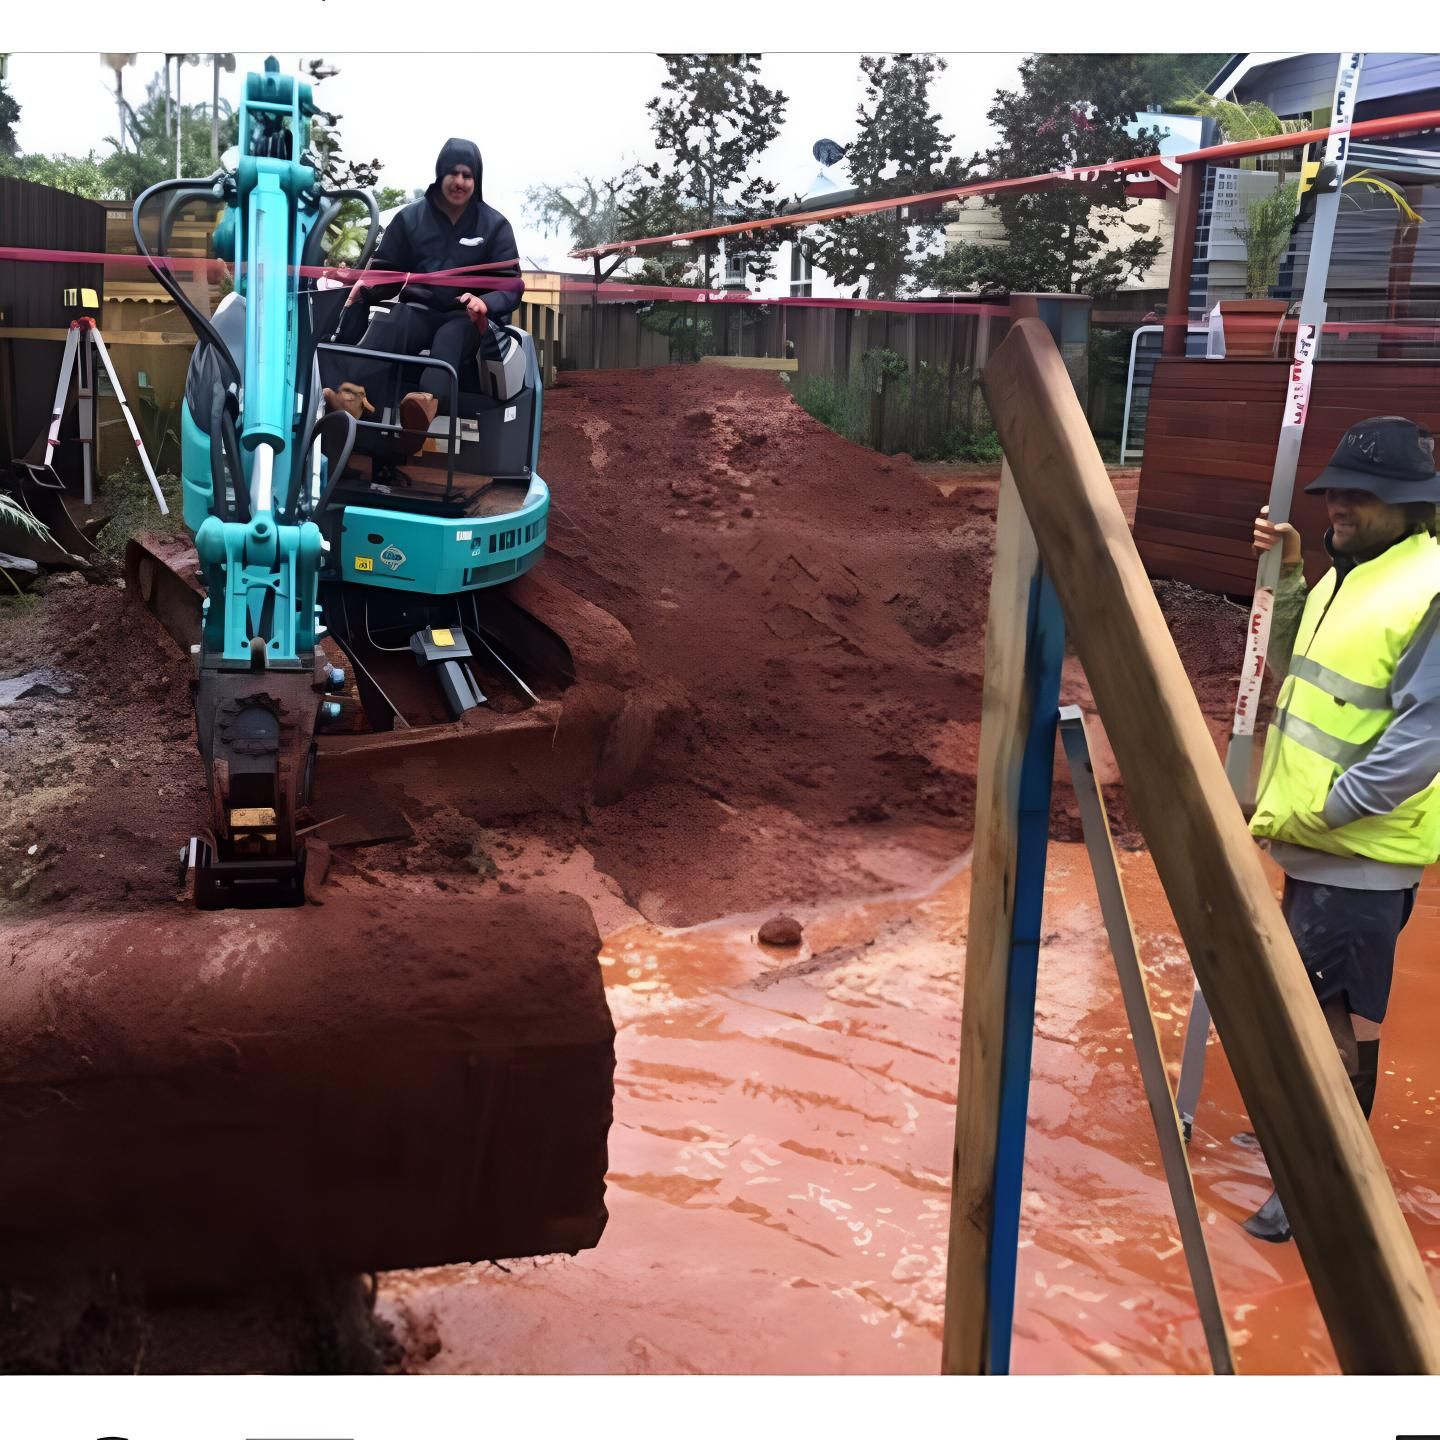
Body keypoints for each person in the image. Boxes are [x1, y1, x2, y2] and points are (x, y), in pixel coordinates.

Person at [1243, 415, 1440, 1242]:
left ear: (1411, 505)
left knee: (1333, 1015)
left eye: (1364, 496)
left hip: (1356, 846)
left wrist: (1331, 807)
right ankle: (1309, 1128)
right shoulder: (1348, 574)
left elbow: (1424, 736)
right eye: (1337, 492)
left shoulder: (1425, 587)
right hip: (1320, 840)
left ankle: (1323, 1179)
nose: (1342, 507)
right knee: (1314, 1003)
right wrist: (1291, 572)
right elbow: (1293, 664)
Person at [323, 137, 523, 452]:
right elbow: (388, 271)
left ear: (476, 180)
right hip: (419, 308)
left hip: (465, 316)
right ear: (440, 174)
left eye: (467, 176)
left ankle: (423, 407)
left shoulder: (495, 226)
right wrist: (367, 286)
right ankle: (351, 398)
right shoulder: (410, 219)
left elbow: (511, 284)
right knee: (393, 322)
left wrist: (485, 302)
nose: (459, 182)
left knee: (451, 337)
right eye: (453, 173)